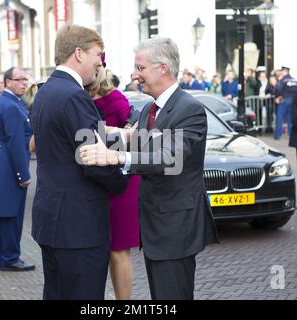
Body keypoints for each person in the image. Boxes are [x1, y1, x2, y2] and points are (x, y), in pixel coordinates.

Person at [80, 37, 219, 300]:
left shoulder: (190, 109)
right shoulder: (149, 110)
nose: (134, 75)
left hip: (175, 229)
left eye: (140, 68)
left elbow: (169, 157)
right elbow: (141, 145)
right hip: (156, 227)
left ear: (163, 68)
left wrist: (115, 158)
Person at [31, 24, 127, 300]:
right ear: (79, 53)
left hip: (52, 220)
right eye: (98, 54)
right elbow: (91, 158)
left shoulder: (46, 91)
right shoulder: (74, 95)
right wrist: (123, 179)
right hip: (78, 226)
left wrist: (126, 138)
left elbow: (70, 143)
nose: (100, 62)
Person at [85, 67, 140, 299]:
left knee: (118, 249)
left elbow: (135, 135)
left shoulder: (116, 98)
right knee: (98, 250)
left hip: (120, 182)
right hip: (94, 182)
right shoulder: (78, 97)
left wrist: (112, 132)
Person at [0, 67, 35, 272]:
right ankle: (9, 257)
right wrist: (23, 174)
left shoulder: (9, 102)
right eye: (19, 79)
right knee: (11, 211)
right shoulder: (9, 105)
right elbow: (16, 141)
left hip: (5, 159)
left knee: (7, 210)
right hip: (11, 160)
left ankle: (3, 256)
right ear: (8, 82)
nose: (24, 83)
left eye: (25, 79)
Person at [274, 66, 297, 140]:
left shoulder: (283, 80)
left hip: (284, 100)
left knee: (280, 117)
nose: (281, 72)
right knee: (290, 118)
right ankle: (290, 135)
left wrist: (278, 97)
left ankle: (278, 135)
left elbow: (278, 89)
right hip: (293, 101)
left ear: (284, 71)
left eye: (282, 71)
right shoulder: (294, 80)